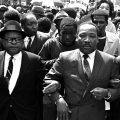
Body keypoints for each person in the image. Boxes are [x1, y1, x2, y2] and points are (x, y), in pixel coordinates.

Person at [43, 22, 119, 120]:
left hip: (96, 115)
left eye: (92, 36)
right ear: (77, 38)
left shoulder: (109, 61)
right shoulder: (65, 57)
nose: (87, 40)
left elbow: (117, 88)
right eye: (82, 36)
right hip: (70, 114)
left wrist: (107, 93)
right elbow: (48, 80)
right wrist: (58, 99)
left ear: (97, 40)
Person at [0, 20, 45, 120]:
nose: (14, 42)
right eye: (10, 39)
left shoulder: (34, 60)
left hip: (26, 115)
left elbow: (40, 91)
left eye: (18, 39)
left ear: (23, 41)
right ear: (2, 41)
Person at [39, 17, 79, 120]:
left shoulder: (80, 45)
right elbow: (39, 63)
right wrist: (57, 61)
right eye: (64, 33)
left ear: (76, 33)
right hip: (52, 88)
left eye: (71, 34)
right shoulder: (51, 43)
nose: (67, 37)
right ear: (59, 32)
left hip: (74, 89)